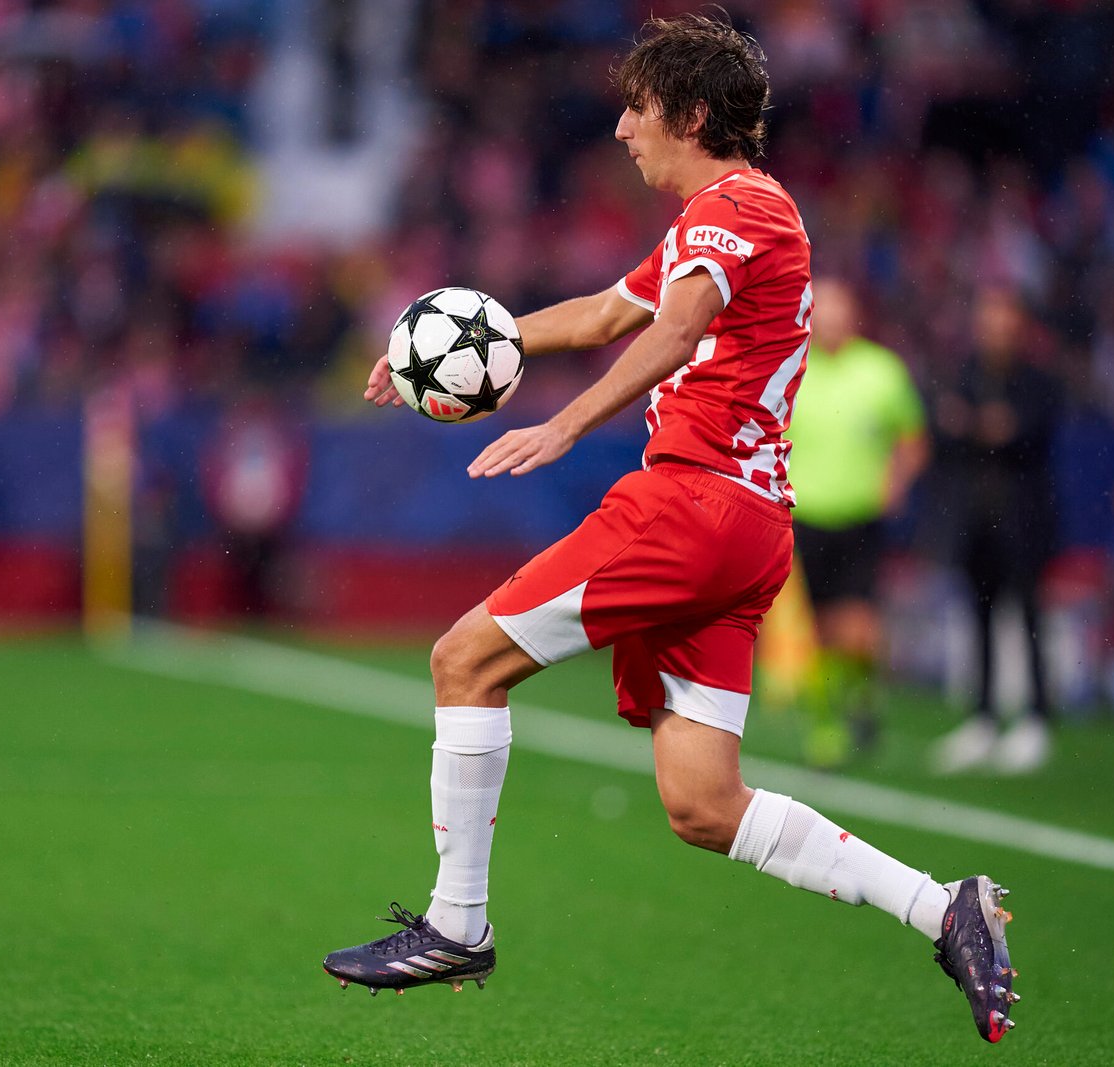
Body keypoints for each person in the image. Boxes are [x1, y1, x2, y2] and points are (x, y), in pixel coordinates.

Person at [323, 14, 1019, 1045]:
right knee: (702, 801)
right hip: (744, 528)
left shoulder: (734, 208)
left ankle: (456, 922)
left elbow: (674, 331)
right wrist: (448, 352)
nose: (618, 129)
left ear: (691, 115)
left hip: (689, 506)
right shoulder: (722, 219)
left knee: (462, 659)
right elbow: (609, 314)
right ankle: (942, 904)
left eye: (636, 109)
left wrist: (560, 424)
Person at [784, 276, 929, 767]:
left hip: (861, 519)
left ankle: (862, 697)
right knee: (820, 631)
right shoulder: (793, 371)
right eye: (820, 310)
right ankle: (826, 728)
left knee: (860, 630)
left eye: (838, 310)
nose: (829, 320)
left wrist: (897, 481)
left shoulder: (881, 371)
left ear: (853, 315)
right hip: (807, 519)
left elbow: (912, 438)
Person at [929, 288, 1060, 775]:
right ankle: (983, 719)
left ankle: (1036, 719)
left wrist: (978, 428)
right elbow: (945, 429)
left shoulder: (1038, 381)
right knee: (978, 616)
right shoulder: (964, 373)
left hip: (1022, 520)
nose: (996, 331)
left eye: (1005, 321)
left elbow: (1026, 433)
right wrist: (984, 428)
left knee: (1028, 616)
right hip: (975, 518)